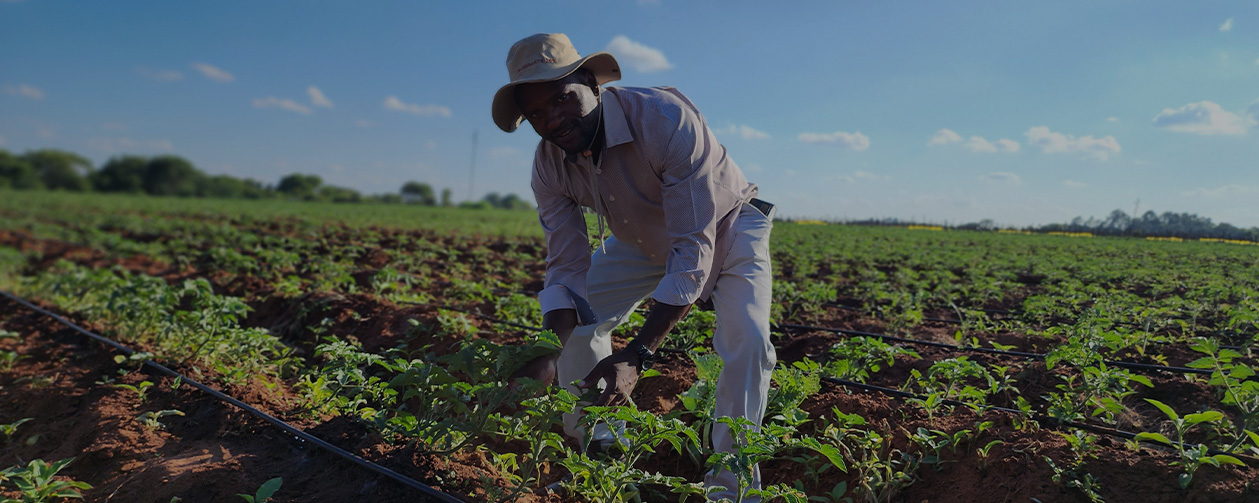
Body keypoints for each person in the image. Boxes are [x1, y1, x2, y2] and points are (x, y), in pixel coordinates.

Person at [492, 33, 777, 500]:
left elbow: (692, 249)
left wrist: (637, 356)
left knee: (747, 341)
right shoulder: (549, 166)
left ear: (591, 82)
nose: (553, 120)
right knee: (579, 326)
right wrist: (545, 353)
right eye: (537, 113)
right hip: (640, 239)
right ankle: (598, 449)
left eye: (562, 98)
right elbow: (566, 270)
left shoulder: (664, 119)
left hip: (726, 223)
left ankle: (732, 488)